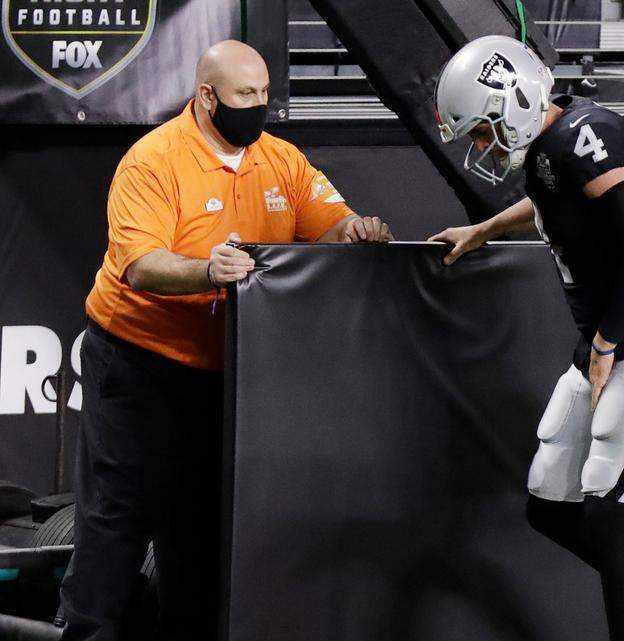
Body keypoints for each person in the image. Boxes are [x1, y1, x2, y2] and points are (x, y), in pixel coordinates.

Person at [60, 40, 392, 641]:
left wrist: (356, 229)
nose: (259, 108)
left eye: (265, 94)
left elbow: (331, 224)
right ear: (207, 96)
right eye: (245, 96)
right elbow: (140, 265)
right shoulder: (153, 161)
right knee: (117, 520)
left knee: (201, 528)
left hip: (228, 370)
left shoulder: (282, 161)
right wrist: (206, 270)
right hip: (137, 364)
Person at [429, 35, 624, 641]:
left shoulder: (587, 137)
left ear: (513, 99)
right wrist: (485, 228)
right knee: (550, 505)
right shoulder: (553, 146)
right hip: (611, 339)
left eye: (484, 131)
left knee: (610, 512)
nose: (483, 147)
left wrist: (605, 344)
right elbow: (551, 200)